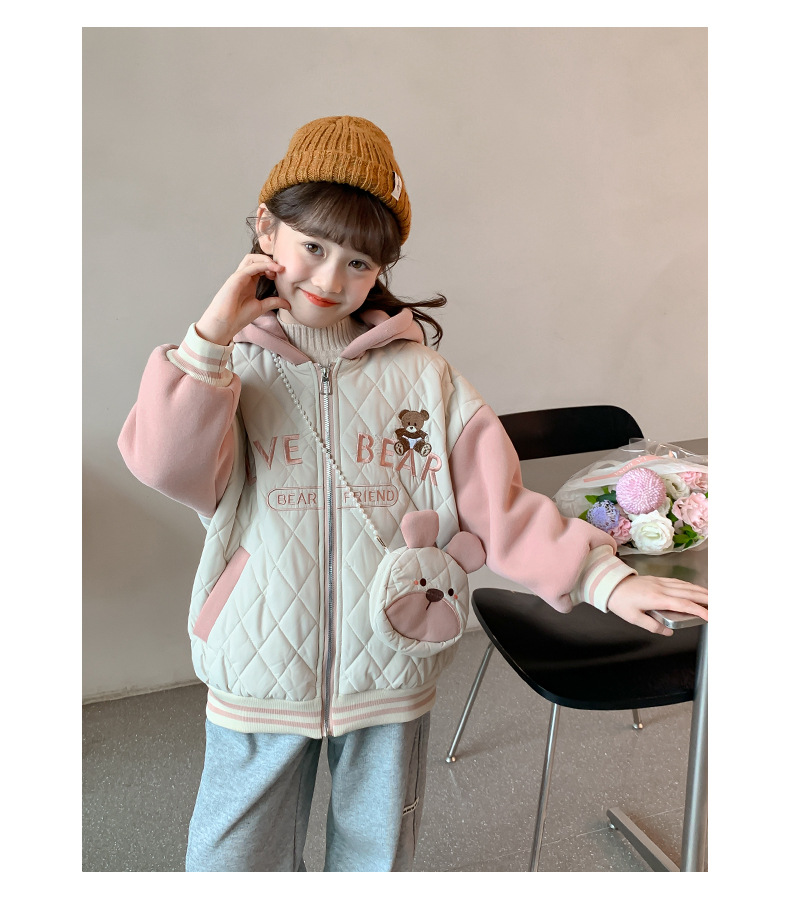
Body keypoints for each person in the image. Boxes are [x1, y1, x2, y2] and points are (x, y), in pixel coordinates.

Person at [118, 115, 708, 872]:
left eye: (359, 261)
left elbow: (500, 503)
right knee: (232, 859)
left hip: (391, 661)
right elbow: (165, 464)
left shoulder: (426, 379)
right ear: (266, 228)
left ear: (382, 268)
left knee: (377, 859)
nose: (331, 280)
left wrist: (602, 577)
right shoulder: (227, 367)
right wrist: (207, 339)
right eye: (313, 247)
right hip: (255, 665)